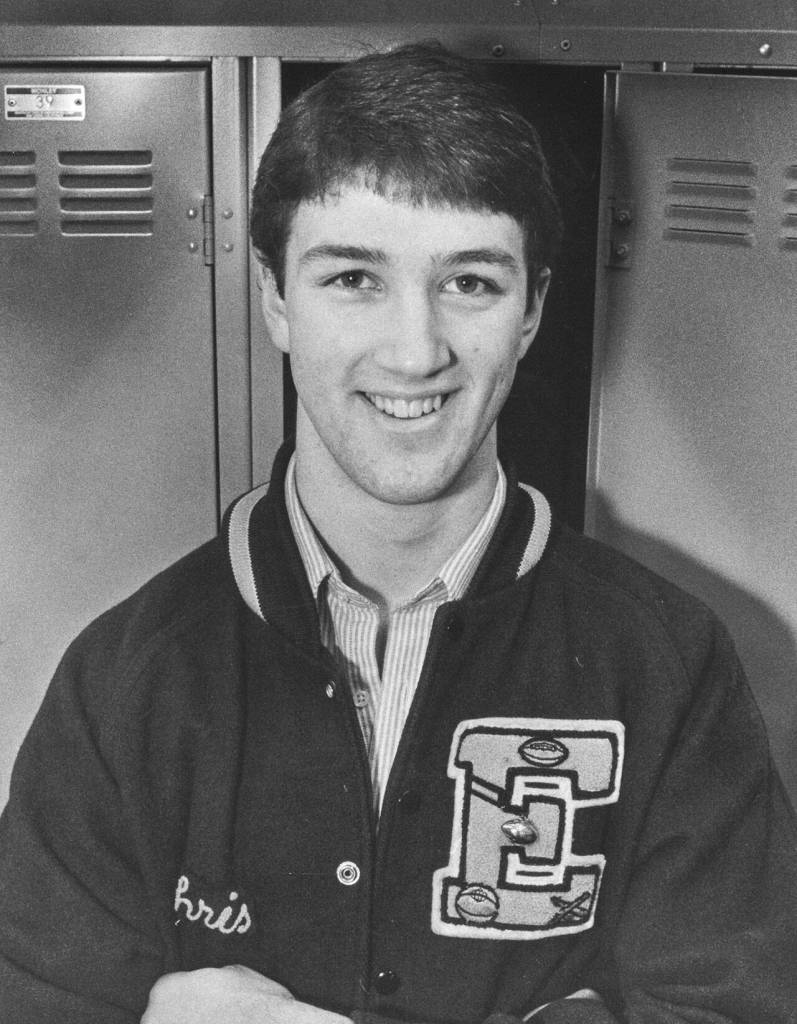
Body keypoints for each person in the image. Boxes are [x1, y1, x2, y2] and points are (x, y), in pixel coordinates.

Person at [1, 42, 796, 1024]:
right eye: (353, 279)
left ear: (532, 308)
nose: (415, 350)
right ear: (274, 297)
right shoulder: (125, 680)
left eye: (468, 282)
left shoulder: (664, 664)